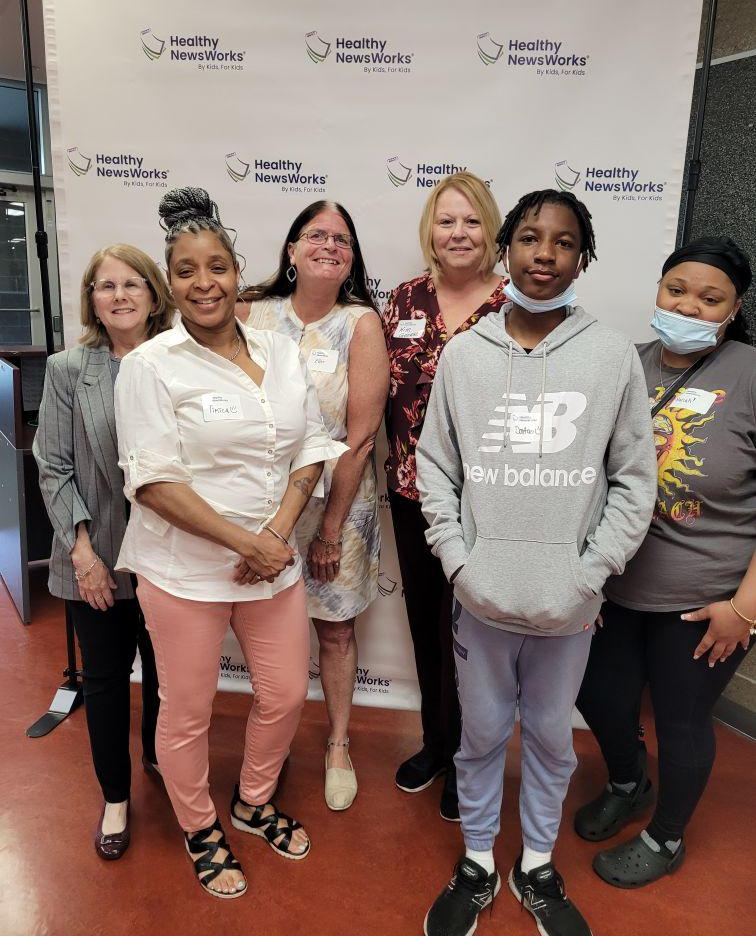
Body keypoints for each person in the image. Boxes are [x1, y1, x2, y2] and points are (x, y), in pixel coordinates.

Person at [416, 189, 657, 936]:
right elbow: (435, 469)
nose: (543, 255)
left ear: (582, 256)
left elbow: (634, 479)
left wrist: (589, 573)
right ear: (505, 249)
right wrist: (460, 564)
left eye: (561, 242)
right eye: (527, 238)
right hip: (481, 600)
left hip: (569, 607)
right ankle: (481, 858)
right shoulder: (465, 354)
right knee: (481, 736)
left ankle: (538, 863)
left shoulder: (611, 355)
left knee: (553, 741)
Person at [114, 187, 346, 899]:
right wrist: (244, 540)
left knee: (280, 695)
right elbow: (153, 483)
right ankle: (199, 825)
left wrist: (273, 537)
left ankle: (251, 801)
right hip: (182, 571)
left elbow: (311, 447)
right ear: (169, 281)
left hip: (270, 567)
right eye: (186, 271)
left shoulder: (281, 352)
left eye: (216, 267)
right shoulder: (150, 366)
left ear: (236, 268)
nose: (204, 283)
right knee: (186, 712)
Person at [575, 236, 756, 889]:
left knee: (681, 723)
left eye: (710, 299)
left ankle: (667, 835)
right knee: (599, 694)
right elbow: (592, 477)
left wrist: (744, 610)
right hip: (618, 586)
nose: (689, 305)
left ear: (734, 310)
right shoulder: (626, 364)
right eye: (677, 289)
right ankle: (628, 781)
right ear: (658, 289)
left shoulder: (750, 374)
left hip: (707, 600)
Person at [243, 201, 389, 811]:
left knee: (334, 631)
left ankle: (336, 745)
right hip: (258, 509)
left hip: (338, 506)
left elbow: (359, 438)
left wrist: (329, 532)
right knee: (263, 635)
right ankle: (265, 750)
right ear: (292, 250)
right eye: (316, 235)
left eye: (342, 239)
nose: (329, 245)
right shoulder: (252, 313)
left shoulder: (360, 324)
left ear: (352, 258)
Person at [33, 245, 174, 860]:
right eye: (104, 285)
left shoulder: (181, 360)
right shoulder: (70, 369)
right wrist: (84, 555)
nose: (119, 296)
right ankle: (115, 795)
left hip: (170, 558)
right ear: (91, 298)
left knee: (168, 677)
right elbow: (53, 467)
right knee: (108, 680)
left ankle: (159, 760)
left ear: (154, 293)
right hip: (94, 556)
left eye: (131, 283)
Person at [383, 171, 508, 822]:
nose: (458, 233)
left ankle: (472, 759)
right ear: (429, 231)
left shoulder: (518, 307)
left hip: (490, 505)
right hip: (412, 497)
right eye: (445, 220)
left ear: (491, 230)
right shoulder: (403, 301)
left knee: (473, 641)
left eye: (471, 220)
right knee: (426, 629)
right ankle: (437, 744)